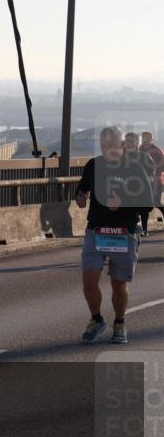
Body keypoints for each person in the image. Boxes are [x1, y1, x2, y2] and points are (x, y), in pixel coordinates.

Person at [76, 126, 154, 344]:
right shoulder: (93, 165)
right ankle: (96, 319)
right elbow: (82, 189)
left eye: (111, 146)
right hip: (96, 230)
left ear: (122, 146)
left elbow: (148, 205)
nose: (106, 150)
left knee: (118, 284)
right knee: (89, 280)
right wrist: (80, 198)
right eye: (102, 146)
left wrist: (124, 202)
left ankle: (119, 322)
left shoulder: (135, 168)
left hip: (124, 232)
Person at [124, 132, 157, 236]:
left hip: (142, 187)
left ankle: (145, 229)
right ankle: (130, 229)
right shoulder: (121, 156)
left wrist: (149, 179)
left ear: (137, 142)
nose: (128, 143)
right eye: (126, 141)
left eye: (131, 141)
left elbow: (152, 170)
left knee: (143, 209)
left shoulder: (144, 156)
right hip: (126, 187)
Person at [140, 131, 164, 234]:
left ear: (151, 139)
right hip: (143, 182)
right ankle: (144, 229)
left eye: (147, 138)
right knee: (144, 204)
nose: (145, 139)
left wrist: (155, 175)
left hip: (157, 182)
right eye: (143, 137)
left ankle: (144, 229)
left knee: (157, 202)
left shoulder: (157, 150)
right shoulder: (139, 149)